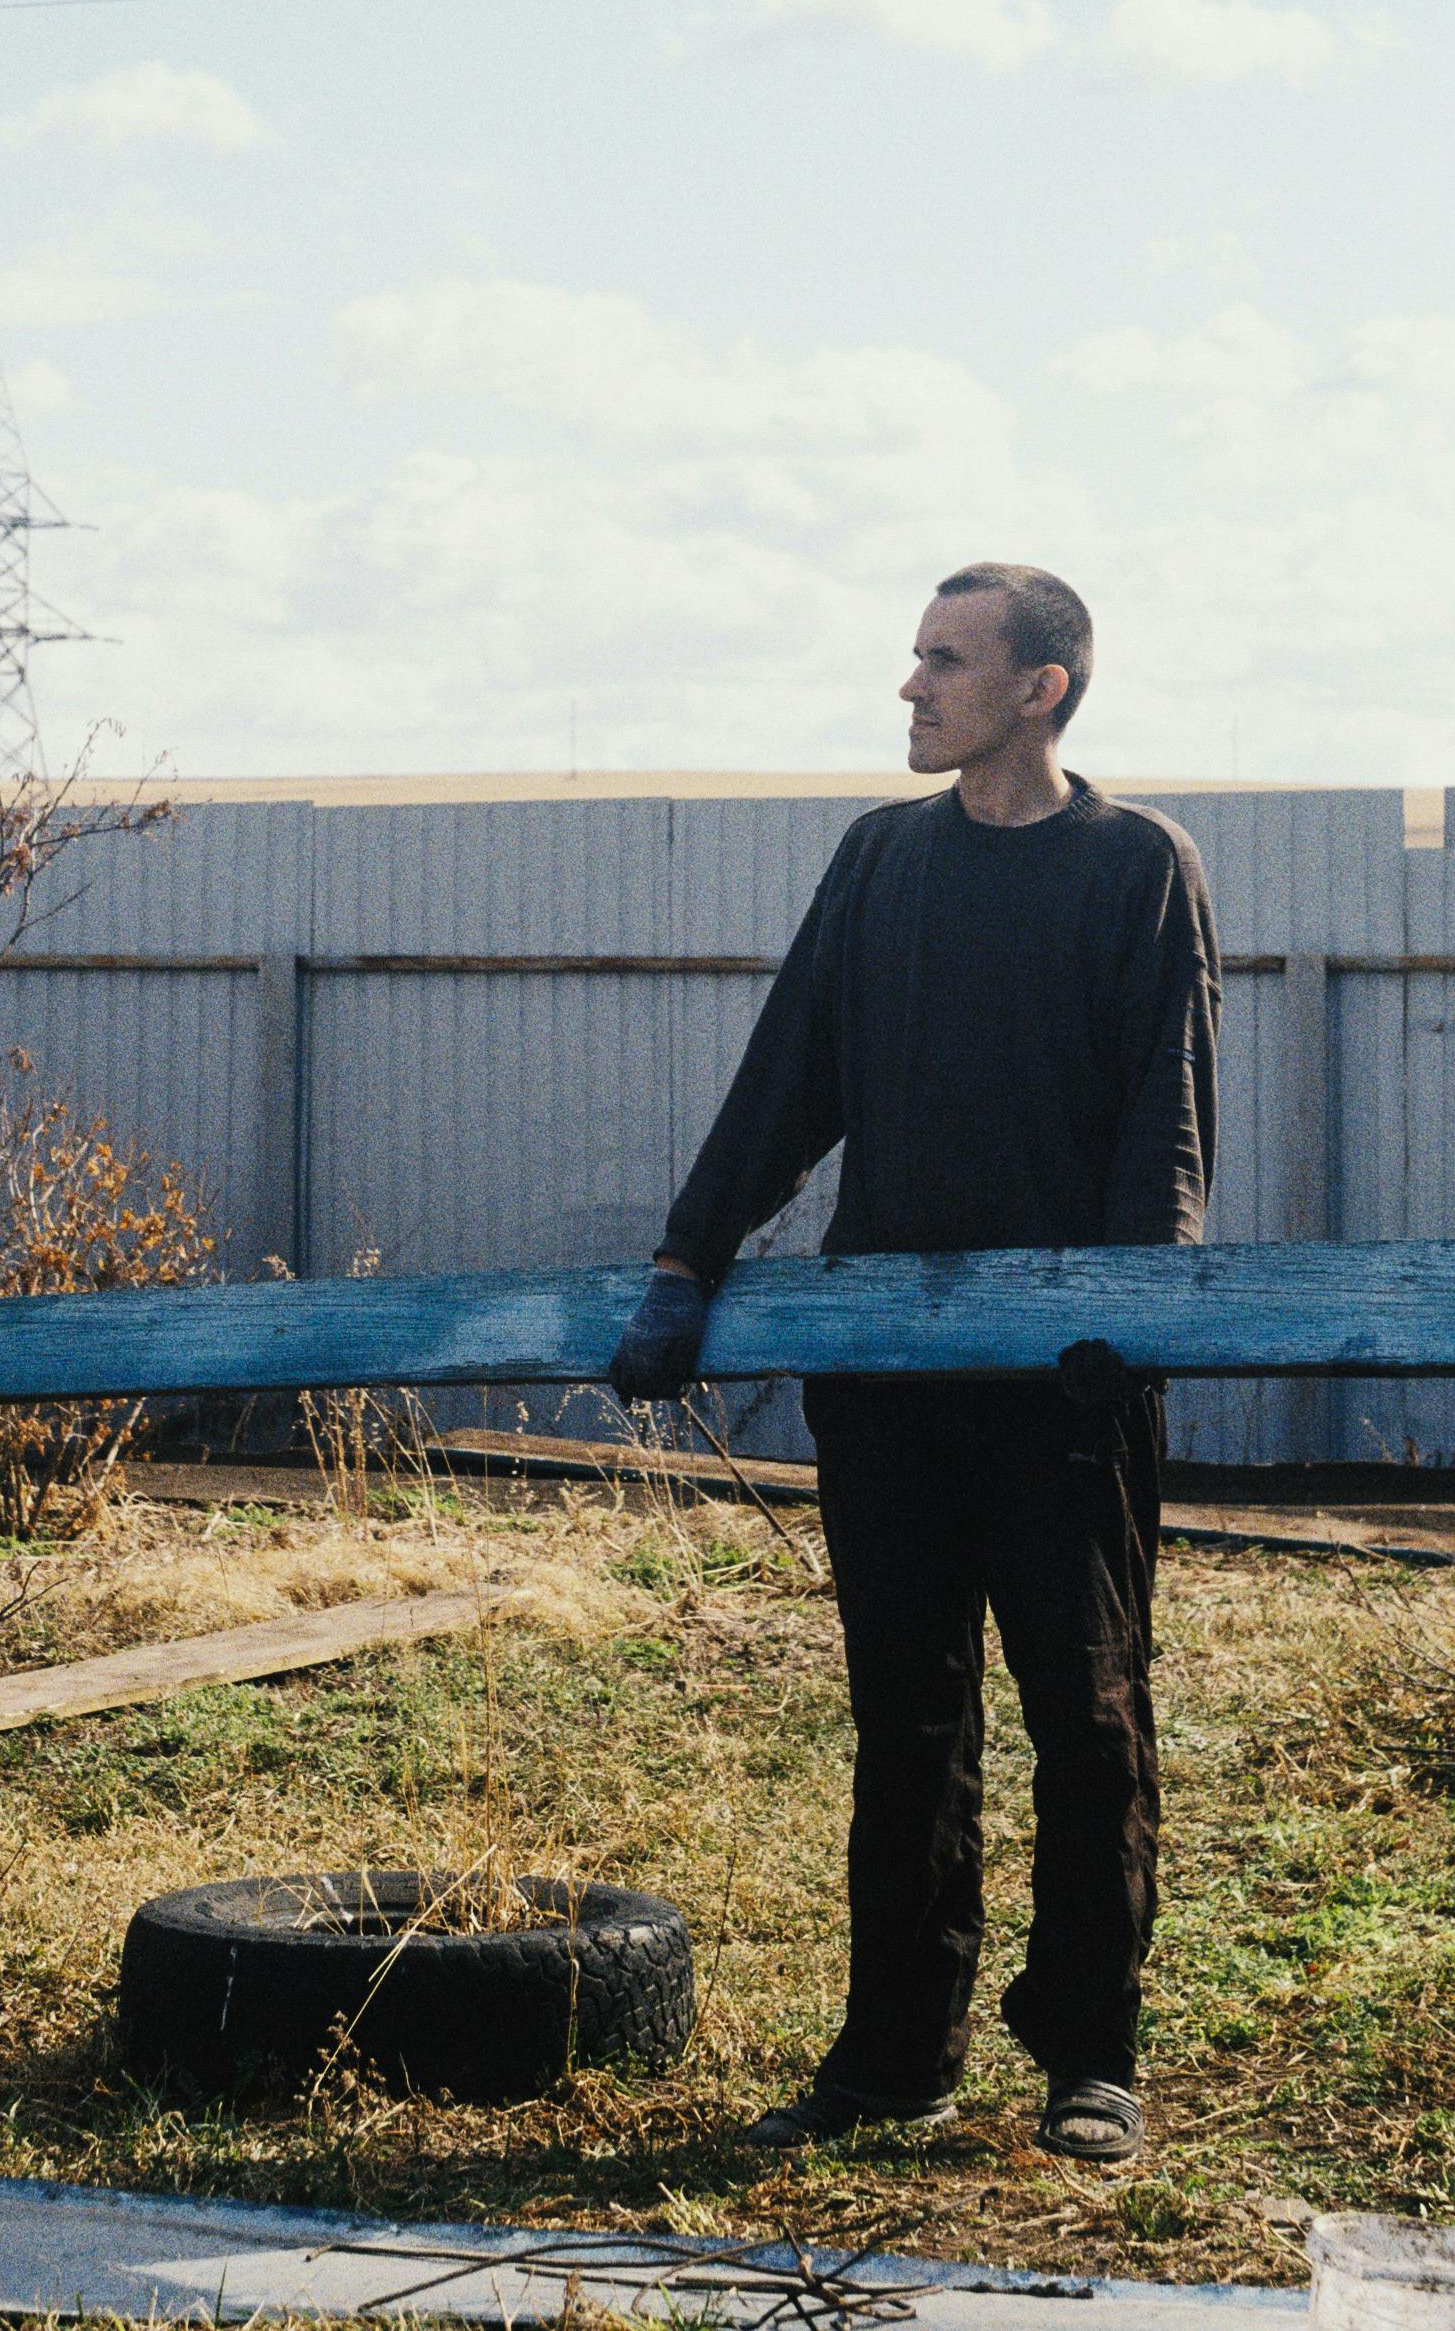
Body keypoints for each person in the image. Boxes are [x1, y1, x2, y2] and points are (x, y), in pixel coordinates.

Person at [608, 564, 1219, 2166]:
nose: (909, 687)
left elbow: (1165, 1118)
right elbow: (785, 1077)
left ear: (1042, 689)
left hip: (1067, 1382)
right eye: (913, 658)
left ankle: (1091, 2055)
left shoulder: (1137, 866)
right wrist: (689, 1265)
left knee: (1088, 1724)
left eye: (944, 662)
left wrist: (1119, 1322)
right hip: (881, 1375)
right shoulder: (880, 862)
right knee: (910, 1723)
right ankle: (896, 2059)